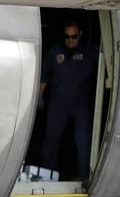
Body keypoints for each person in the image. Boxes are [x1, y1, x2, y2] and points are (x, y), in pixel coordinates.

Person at [39, 21, 97, 180]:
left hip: (80, 100)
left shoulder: (89, 50)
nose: (70, 40)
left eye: (74, 36)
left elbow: (107, 65)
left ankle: (85, 175)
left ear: (80, 35)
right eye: (67, 36)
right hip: (58, 100)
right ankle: (47, 176)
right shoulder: (54, 51)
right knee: (51, 139)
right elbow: (44, 75)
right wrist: (39, 98)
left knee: (83, 139)